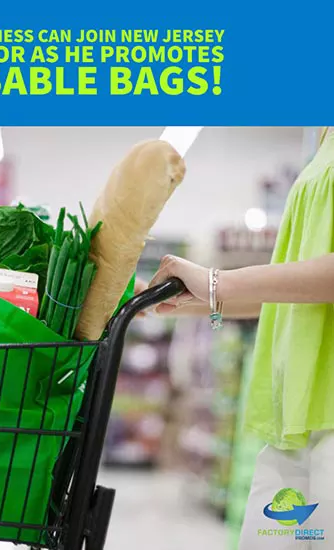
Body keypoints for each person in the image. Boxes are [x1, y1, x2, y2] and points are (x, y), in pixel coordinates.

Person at [140, 128, 334, 549]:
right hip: (294, 416)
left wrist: (218, 282)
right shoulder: (322, 132)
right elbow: (300, 295)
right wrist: (173, 299)